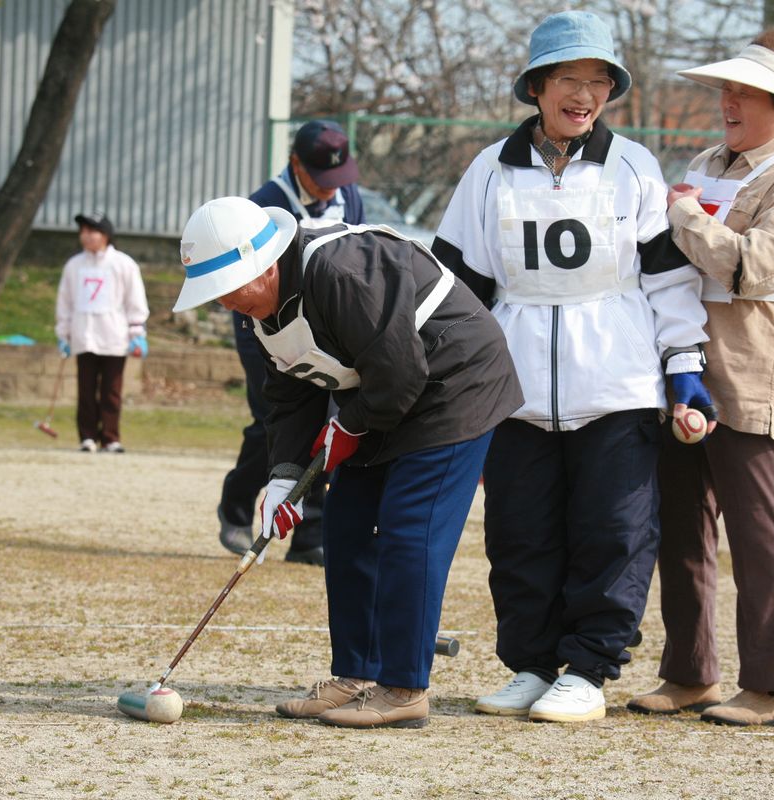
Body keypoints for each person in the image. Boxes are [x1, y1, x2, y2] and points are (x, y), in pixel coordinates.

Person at [432, 11, 713, 724]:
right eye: (568, 79)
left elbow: (668, 281)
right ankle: (530, 664)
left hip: (616, 378)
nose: (583, 94)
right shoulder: (489, 169)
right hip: (517, 382)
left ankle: (588, 668)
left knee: (612, 530)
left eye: (598, 81)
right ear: (537, 87)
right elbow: (457, 282)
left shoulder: (634, 168)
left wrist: (685, 369)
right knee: (519, 531)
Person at [172, 196, 522, 729]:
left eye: (229, 289)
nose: (224, 305)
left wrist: (350, 424)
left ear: (264, 266)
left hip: (454, 382)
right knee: (348, 522)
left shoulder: (341, 271)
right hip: (384, 394)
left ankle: (405, 688)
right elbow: (289, 397)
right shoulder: (260, 312)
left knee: (410, 528)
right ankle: (356, 675)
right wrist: (285, 478)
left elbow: (401, 370)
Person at [628, 31, 774, 728]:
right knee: (681, 527)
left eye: (744, 92)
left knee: (757, 531)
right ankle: (690, 674)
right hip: (684, 371)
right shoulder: (709, 161)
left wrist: (682, 214)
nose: (727, 102)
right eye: (726, 89)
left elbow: (757, 265)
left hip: (751, 371)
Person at [215, 120, 366, 566]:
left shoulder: (347, 195)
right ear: (295, 163)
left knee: (331, 422)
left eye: (336, 181)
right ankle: (237, 505)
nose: (329, 191)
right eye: (320, 180)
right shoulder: (263, 205)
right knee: (275, 422)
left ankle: (309, 535)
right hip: (264, 324)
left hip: (326, 328)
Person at [55, 211, 149, 454]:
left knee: (111, 391)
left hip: (114, 336)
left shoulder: (124, 264)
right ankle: (87, 437)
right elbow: (65, 302)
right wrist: (63, 334)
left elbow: (134, 299)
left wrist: (136, 331)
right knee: (85, 390)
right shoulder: (74, 266)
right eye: (83, 232)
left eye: (92, 231)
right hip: (83, 335)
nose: (86, 237)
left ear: (106, 235)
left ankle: (110, 437)